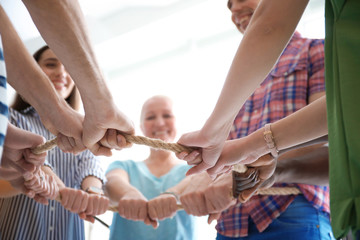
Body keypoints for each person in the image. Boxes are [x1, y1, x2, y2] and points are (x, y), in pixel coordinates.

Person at [177, 0, 359, 238]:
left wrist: (269, 166)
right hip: (231, 222)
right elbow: (224, 158)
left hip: (293, 212)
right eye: (229, 5)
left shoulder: (317, 51)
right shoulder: (236, 84)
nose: (234, 8)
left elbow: (337, 137)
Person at [0, 46, 109, 240]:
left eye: (69, 68)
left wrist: (93, 192)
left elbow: (90, 166)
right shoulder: (10, 121)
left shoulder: (85, 131)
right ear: (32, 71)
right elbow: (21, 167)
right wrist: (55, 187)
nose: (61, 73)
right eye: (51, 64)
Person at [105, 95, 196, 240]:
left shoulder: (193, 171)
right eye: (150, 118)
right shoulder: (124, 166)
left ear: (177, 123)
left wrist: (173, 194)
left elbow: (197, 183)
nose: (159, 123)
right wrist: (128, 193)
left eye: (167, 115)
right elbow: (112, 181)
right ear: (141, 127)